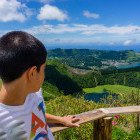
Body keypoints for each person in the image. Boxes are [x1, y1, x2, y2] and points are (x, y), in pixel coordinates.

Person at [0, 31, 80, 140]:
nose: (44, 75)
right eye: (43, 69)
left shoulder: (34, 94)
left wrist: (61, 120)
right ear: (32, 73)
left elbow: (37, 114)